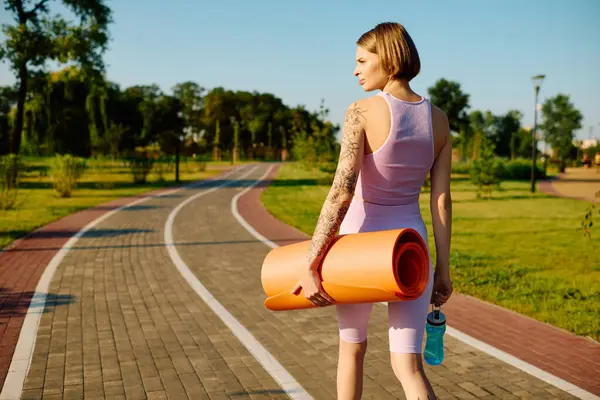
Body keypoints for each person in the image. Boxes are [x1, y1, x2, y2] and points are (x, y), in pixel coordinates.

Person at [291, 22, 453, 399]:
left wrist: (311, 262)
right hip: (411, 247)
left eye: (363, 60)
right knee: (408, 367)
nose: (355, 69)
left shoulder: (360, 112)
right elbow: (441, 201)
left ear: (390, 60)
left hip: (359, 246)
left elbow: (340, 194)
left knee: (352, 348)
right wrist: (442, 269)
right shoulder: (440, 119)